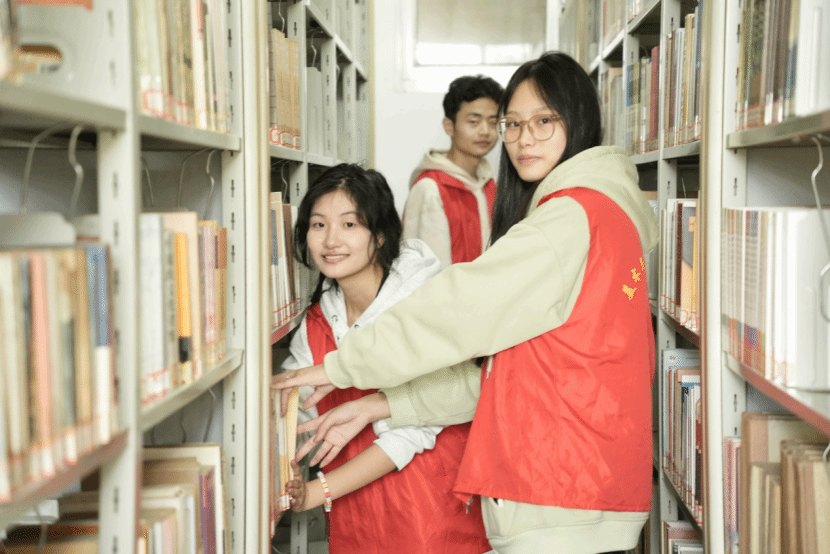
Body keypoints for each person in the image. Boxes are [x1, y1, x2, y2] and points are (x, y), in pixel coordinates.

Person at [275, 51, 660, 554]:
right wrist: (382, 403)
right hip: (578, 486)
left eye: (544, 121)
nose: (524, 139)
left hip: (560, 486)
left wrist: (343, 366)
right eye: (513, 124)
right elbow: (509, 372)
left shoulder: (569, 218)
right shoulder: (600, 212)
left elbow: (458, 309)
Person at [279, 163, 491, 554]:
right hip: (357, 522)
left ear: (379, 235)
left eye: (349, 224)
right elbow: (300, 413)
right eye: (318, 224)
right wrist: (282, 456)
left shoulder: (421, 304)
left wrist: (315, 491)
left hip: (432, 518)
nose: (331, 240)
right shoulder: (317, 321)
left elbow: (414, 430)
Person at [403, 74, 504, 268]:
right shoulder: (431, 189)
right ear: (449, 126)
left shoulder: (490, 186)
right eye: (473, 121)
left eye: (493, 122)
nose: (485, 131)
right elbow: (432, 273)